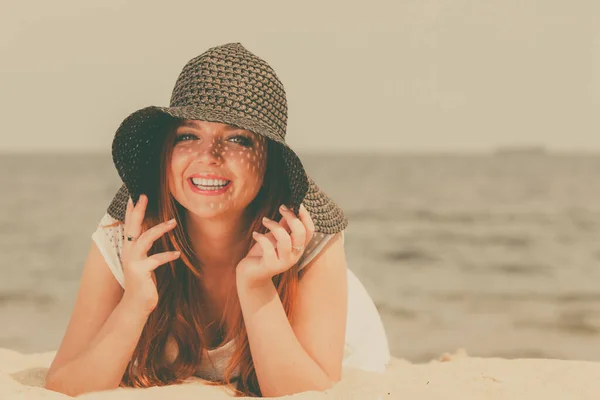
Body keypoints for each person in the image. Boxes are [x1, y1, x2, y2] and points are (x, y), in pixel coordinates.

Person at [44, 42, 390, 398]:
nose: (208, 156)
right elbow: (64, 385)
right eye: (188, 136)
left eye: (237, 139)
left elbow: (307, 393)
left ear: (269, 161)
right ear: (167, 152)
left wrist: (256, 288)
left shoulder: (311, 239)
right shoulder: (129, 234)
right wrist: (135, 303)